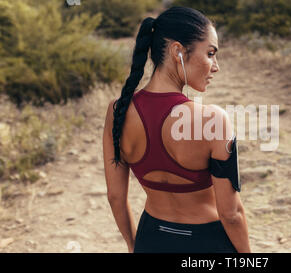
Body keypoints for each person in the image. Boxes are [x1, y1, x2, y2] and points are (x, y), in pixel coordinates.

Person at [102, 6, 251, 253]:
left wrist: (133, 245)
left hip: (151, 238)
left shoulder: (117, 110)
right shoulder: (212, 119)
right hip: (207, 243)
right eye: (211, 53)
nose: (216, 66)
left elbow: (115, 197)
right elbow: (231, 213)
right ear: (177, 51)